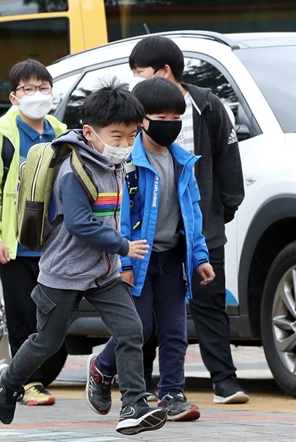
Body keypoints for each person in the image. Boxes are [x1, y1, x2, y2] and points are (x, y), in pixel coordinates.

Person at [0, 81, 167, 436]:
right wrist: (122, 245)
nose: (125, 145)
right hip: (63, 273)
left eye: (131, 136)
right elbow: (80, 224)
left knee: (133, 330)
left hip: (103, 273)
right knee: (48, 341)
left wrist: (118, 256)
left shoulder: (114, 164)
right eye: (117, 136)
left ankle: (133, 405)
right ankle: (9, 381)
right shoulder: (74, 171)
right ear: (89, 132)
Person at [88, 77, 215, 423]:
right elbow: (121, 217)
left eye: (176, 118)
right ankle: (101, 368)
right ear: (142, 119)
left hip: (173, 258)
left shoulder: (183, 162)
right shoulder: (128, 163)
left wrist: (200, 257)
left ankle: (172, 392)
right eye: (162, 117)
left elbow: (192, 213)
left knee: (175, 330)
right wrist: (125, 260)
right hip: (138, 258)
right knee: (138, 328)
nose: (169, 125)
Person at [129, 35, 248, 404]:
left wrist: (220, 213)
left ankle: (224, 381)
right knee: (146, 314)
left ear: (165, 71)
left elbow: (229, 162)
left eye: (141, 73)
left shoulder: (207, 105)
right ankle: (143, 383)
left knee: (209, 301)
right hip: (148, 232)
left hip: (200, 225)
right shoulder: (137, 110)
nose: (136, 81)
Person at [0, 59, 67, 406]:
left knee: (53, 316)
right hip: (16, 247)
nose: (38, 94)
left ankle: (33, 378)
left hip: (54, 244)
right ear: (14, 97)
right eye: (29, 89)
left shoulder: (61, 134)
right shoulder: (1, 138)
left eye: (44, 87)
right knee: (19, 314)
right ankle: (27, 382)